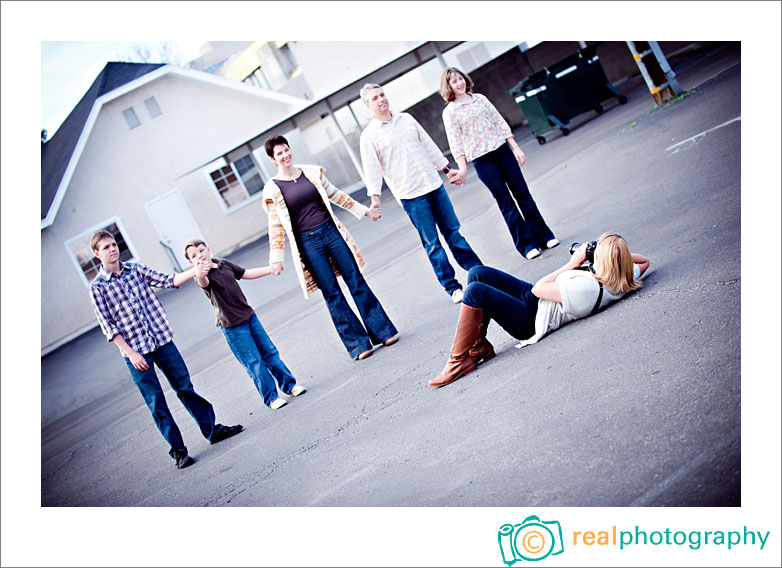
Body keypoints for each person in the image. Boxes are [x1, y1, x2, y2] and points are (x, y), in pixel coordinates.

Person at [88, 230, 244, 469]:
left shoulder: (135, 270)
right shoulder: (98, 287)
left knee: (185, 388)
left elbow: (169, 281)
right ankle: (179, 452)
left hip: (162, 340)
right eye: (106, 247)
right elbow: (107, 325)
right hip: (136, 352)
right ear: (97, 254)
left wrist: (198, 268)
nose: (113, 249)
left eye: (113, 244)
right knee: (156, 403)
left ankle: (212, 430)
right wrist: (130, 353)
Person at [429, 232, 650, 387]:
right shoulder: (620, 275)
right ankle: (479, 348)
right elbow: (644, 261)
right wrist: (615, 254)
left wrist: (573, 263)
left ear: (606, 260)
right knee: (478, 271)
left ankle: (457, 362)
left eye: (598, 247)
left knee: (476, 291)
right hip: (542, 303)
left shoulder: (586, 289)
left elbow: (538, 289)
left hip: (532, 319)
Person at [262, 135, 398, 361]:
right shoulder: (273, 189)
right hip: (308, 243)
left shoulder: (311, 173)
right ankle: (357, 344)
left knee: (356, 280)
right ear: (272, 159)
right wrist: (276, 259)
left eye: (286, 150)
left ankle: (384, 332)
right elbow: (275, 226)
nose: (285, 155)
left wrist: (364, 211)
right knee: (332, 293)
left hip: (331, 233)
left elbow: (336, 195)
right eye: (279, 154)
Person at [358, 83, 483, 304]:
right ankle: (452, 287)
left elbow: (429, 145)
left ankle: (479, 273)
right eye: (375, 98)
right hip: (411, 194)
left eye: (382, 94)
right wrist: (375, 200)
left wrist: (447, 169)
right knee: (433, 243)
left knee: (454, 233)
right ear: (368, 105)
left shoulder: (406, 119)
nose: (381, 100)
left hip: (434, 185)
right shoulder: (369, 136)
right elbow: (372, 170)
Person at [440, 66, 558, 261]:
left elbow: (499, 122)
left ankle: (545, 236)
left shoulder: (480, 99)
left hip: (503, 152)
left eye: (460, 78)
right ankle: (527, 245)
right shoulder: (450, 112)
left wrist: (515, 148)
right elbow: (455, 143)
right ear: (448, 86)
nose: (459, 83)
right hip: (483, 161)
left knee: (524, 196)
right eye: (454, 81)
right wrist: (462, 169)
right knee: (507, 204)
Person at [183, 239, 305, 411]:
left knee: (270, 352)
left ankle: (289, 385)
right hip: (233, 327)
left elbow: (246, 273)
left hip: (249, 317)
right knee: (254, 362)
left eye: (201, 251)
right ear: (190, 262)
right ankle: (271, 397)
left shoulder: (224, 264)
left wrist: (270, 269)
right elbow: (203, 281)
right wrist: (200, 272)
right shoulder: (201, 277)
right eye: (194, 256)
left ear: (208, 250)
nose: (200, 256)